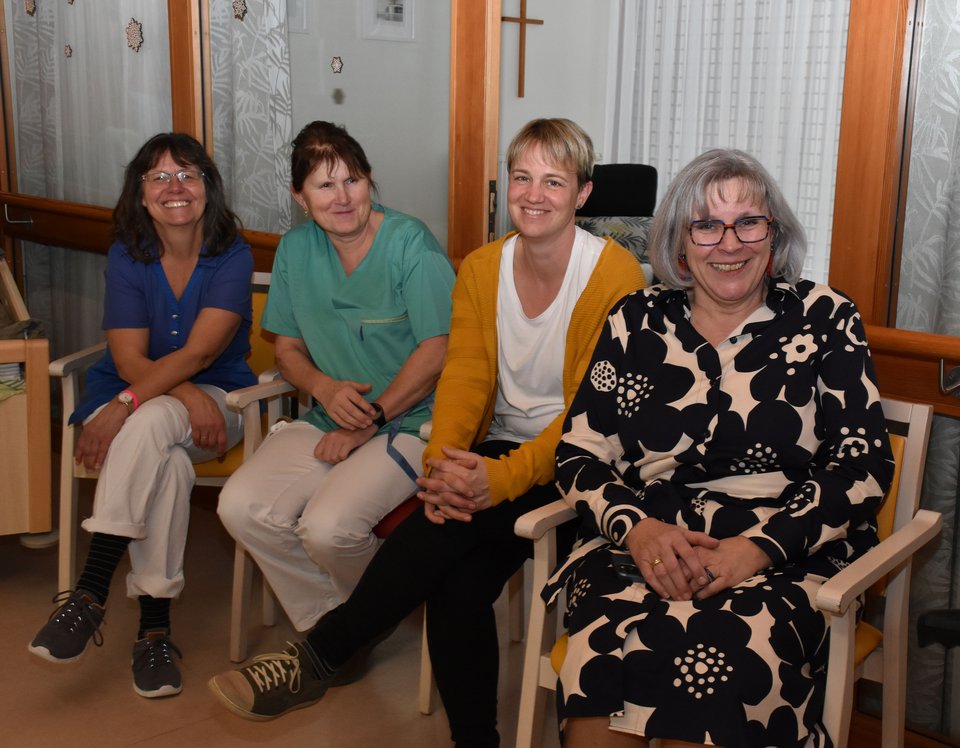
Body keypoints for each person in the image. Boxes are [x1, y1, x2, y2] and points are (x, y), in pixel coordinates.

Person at [208, 118, 647, 746]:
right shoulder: (482, 267)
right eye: (522, 177)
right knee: (453, 586)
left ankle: (322, 653)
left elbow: (590, 418)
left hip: (585, 463)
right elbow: (464, 377)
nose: (534, 194)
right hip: (499, 448)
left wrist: (498, 478)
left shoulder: (616, 276)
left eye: (554, 181)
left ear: (582, 193)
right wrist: (446, 466)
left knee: (439, 547)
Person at [545, 148, 895, 747]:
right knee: (604, 663)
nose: (728, 243)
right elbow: (577, 451)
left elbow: (862, 466)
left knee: (720, 668)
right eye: (706, 225)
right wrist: (636, 528)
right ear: (680, 243)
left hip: (786, 552)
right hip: (646, 545)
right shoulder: (636, 319)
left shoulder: (824, 317)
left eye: (748, 222)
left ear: (773, 235)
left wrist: (758, 548)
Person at [28, 133, 256, 698]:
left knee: (148, 424)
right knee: (168, 462)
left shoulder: (232, 250)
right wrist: (175, 394)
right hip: (161, 400)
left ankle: (88, 593)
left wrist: (129, 406)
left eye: (188, 175)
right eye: (159, 177)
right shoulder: (127, 253)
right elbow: (129, 358)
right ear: (140, 192)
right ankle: (153, 633)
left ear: (208, 186)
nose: (175, 188)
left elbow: (202, 354)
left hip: (220, 404)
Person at [216, 121, 454, 635]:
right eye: (325, 185)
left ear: (370, 181)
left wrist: (371, 418)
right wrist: (323, 389)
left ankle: (362, 621)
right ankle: (337, 625)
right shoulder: (296, 251)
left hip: (413, 423)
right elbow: (288, 350)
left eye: (353, 180)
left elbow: (439, 349)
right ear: (300, 197)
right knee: (240, 506)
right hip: (329, 416)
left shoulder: (409, 243)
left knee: (327, 529)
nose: (342, 197)